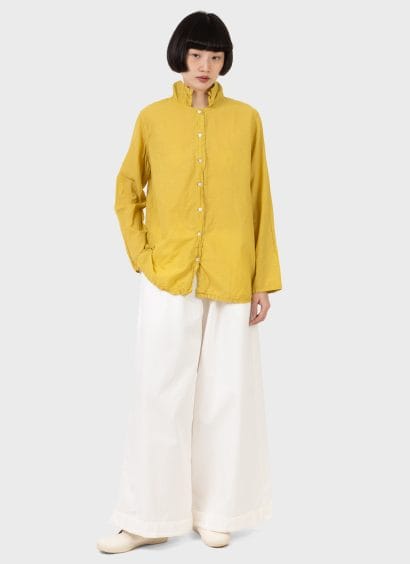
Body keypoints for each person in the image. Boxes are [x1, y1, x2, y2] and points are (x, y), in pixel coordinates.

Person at [97, 10, 282, 553]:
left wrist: (262, 280)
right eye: (197, 54)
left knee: (226, 396)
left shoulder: (247, 120)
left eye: (215, 56)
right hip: (168, 275)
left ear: (226, 61)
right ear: (180, 55)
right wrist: (143, 256)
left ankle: (216, 511)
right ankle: (146, 518)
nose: (205, 65)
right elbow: (127, 190)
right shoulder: (152, 118)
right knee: (158, 393)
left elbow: (261, 201)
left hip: (232, 274)